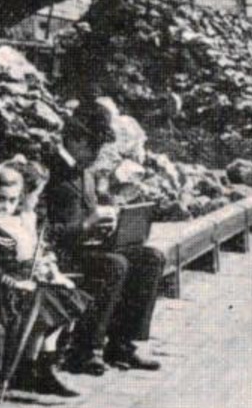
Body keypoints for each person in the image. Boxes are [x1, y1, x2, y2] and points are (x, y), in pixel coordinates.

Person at [46, 109, 164, 375]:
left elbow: (89, 211)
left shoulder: (84, 171)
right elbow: (41, 229)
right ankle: (85, 350)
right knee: (115, 265)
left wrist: (110, 219)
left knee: (151, 258)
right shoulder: (48, 170)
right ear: (75, 140)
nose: (98, 153)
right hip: (59, 255)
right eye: (95, 145)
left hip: (87, 246)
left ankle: (122, 344)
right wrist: (85, 226)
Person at [0, 161, 87, 397]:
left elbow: (27, 256)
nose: (6, 206)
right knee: (43, 302)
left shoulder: (14, 223)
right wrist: (16, 283)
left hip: (19, 288)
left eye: (12, 200)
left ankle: (40, 365)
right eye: (0, 199)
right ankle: (32, 369)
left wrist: (46, 271)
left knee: (61, 297)